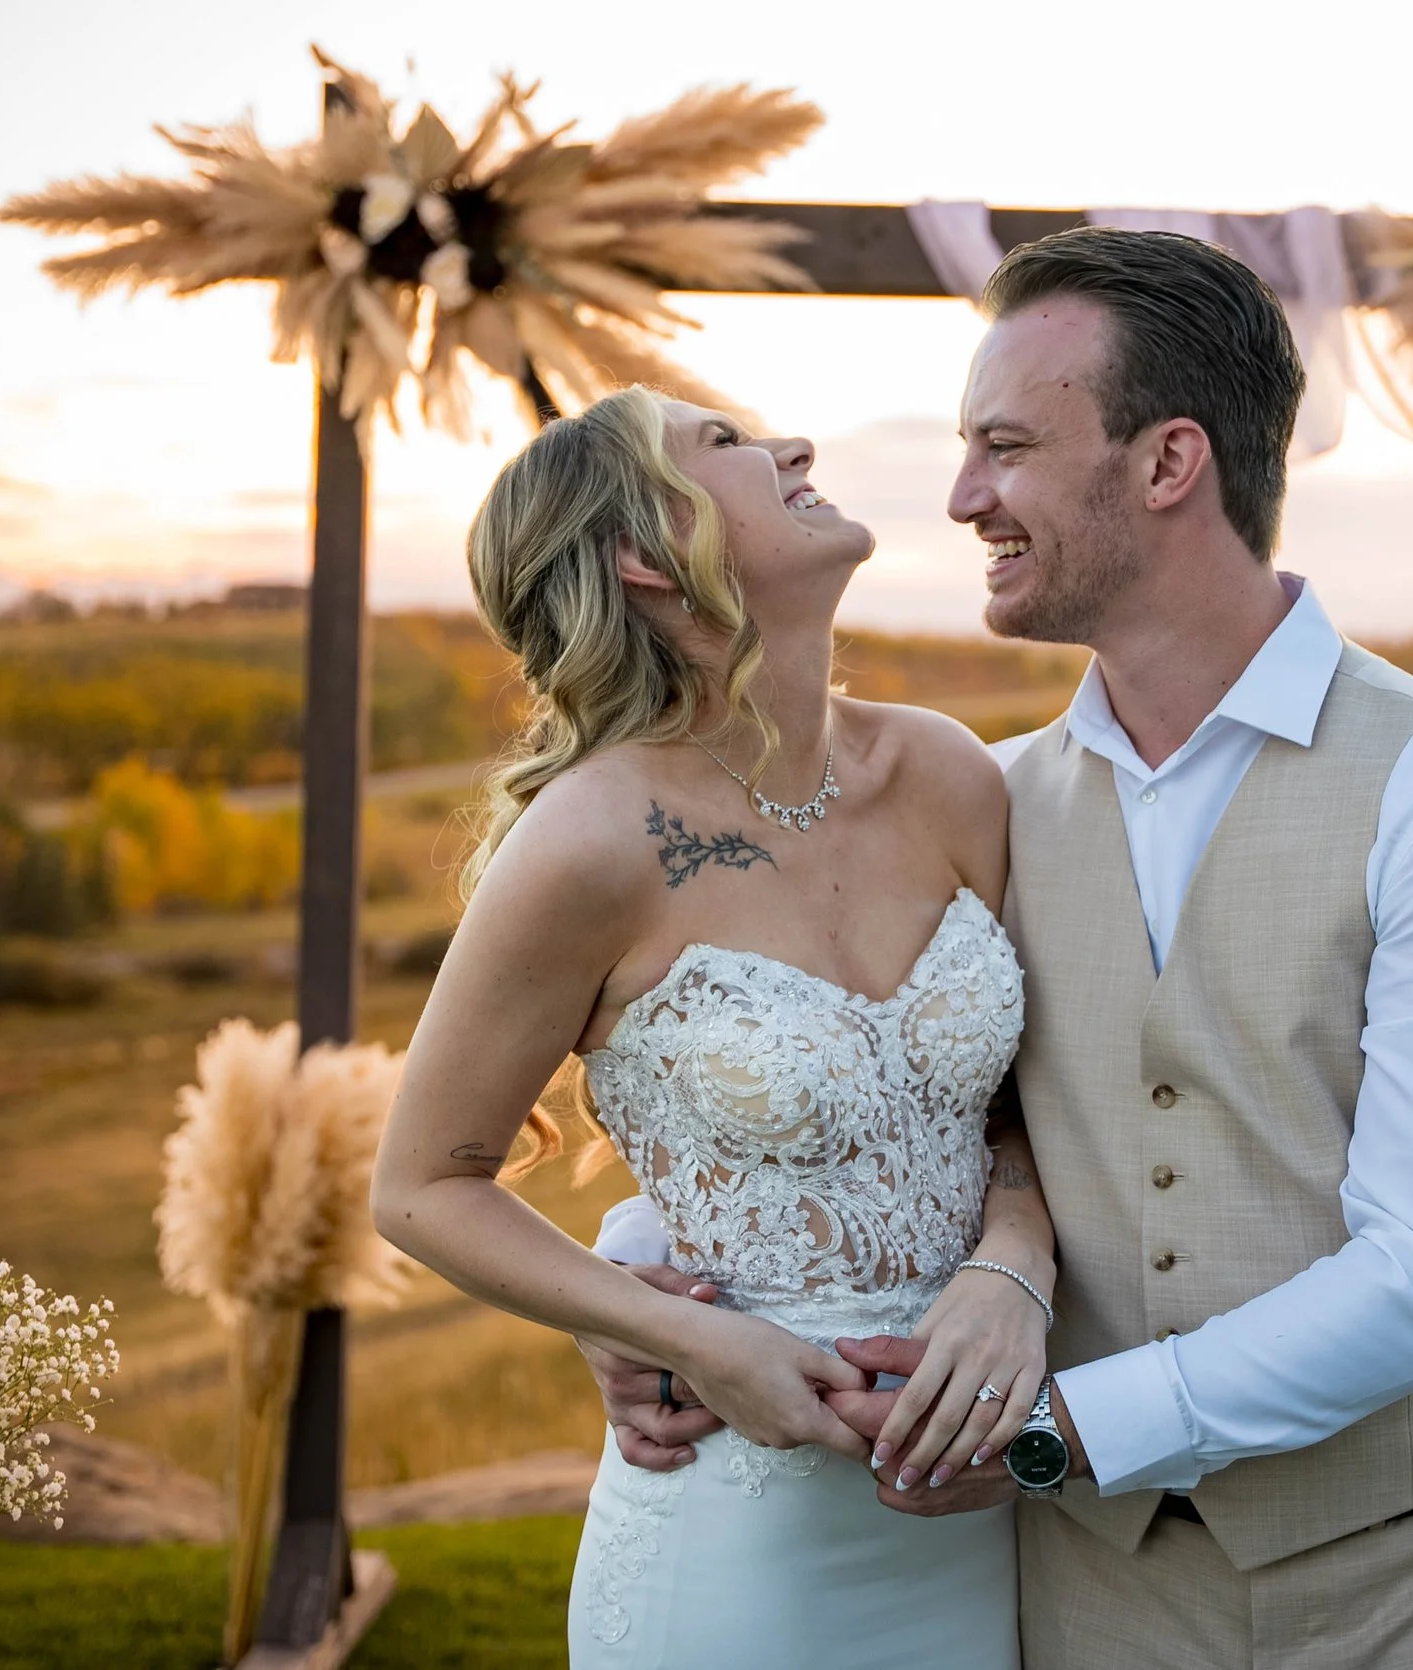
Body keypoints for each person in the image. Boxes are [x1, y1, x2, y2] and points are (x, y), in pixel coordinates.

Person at [591, 228, 1413, 1668]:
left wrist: (1060, 1432)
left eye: (1004, 447)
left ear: (1167, 463)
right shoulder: (984, 805)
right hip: (1088, 1608)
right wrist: (652, 1283)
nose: (960, 498)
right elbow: (876, 1106)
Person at [369, 384, 1056, 1669]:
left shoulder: (948, 770)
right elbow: (420, 1185)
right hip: (740, 1532)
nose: (795, 444)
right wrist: (685, 1337)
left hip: (977, 1511)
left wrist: (1012, 1269)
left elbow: (1012, 1108)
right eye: (725, 444)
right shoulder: (587, 842)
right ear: (644, 552)